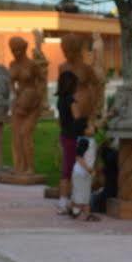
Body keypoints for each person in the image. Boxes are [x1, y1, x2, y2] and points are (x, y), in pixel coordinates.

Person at [54, 58, 83, 215]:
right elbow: (77, 119)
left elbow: (61, 120)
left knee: (67, 168)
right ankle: (65, 201)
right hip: (72, 137)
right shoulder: (71, 100)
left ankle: (65, 201)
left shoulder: (59, 100)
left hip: (65, 135)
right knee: (71, 170)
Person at [67, 133, 99, 221]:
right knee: (81, 196)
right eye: (90, 126)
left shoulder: (93, 140)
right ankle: (87, 214)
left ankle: (72, 209)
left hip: (86, 173)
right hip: (80, 173)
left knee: (84, 194)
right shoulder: (84, 140)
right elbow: (79, 157)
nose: (93, 127)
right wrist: (89, 169)